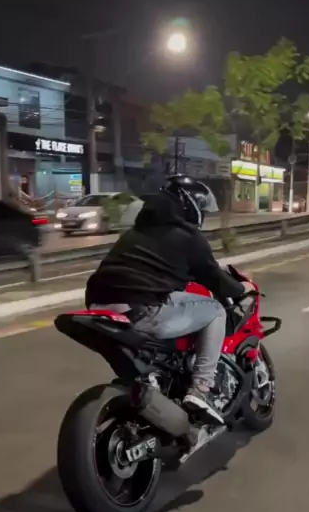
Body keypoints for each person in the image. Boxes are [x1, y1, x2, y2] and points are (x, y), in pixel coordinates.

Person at [85, 175, 254, 424]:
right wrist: (241, 288)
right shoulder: (188, 236)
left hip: (99, 306)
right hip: (141, 307)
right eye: (203, 209)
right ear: (191, 204)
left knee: (174, 301)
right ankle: (201, 388)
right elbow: (213, 278)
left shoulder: (135, 233)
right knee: (215, 310)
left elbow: (155, 269)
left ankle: (155, 383)